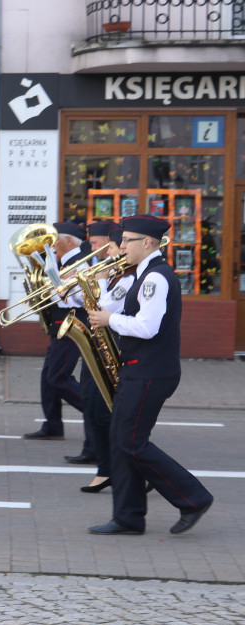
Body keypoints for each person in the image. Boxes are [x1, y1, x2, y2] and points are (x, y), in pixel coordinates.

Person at [86, 215, 213, 535]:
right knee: (119, 442)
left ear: (147, 243)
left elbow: (147, 327)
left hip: (151, 372)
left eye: (127, 240)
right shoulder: (142, 274)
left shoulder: (156, 278)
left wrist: (109, 320)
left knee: (131, 442)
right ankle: (128, 516)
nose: (121, 245)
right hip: (139, 369)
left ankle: (192, 497)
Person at [24, 221, 86, 440]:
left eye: (55, 239)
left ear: (68, 240)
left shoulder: (81, 263)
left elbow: (81, 299)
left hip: (72, 326)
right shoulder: (60, 263)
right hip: (59, 325)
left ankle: (100, 412)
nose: (51, 244)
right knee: (47, 378)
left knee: (58, 377)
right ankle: (53, 425)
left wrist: (58, 288)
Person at [78, 224, 127, 494]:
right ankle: (107, 469)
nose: (105, 251)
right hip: (97, 344)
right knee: (92, 406)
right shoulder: (112, 275)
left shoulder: (126, 277)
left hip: (114, 346)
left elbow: (104, 308)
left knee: (107, 413)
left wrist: (99, 278)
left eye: (111, 246)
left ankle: (127, 471)